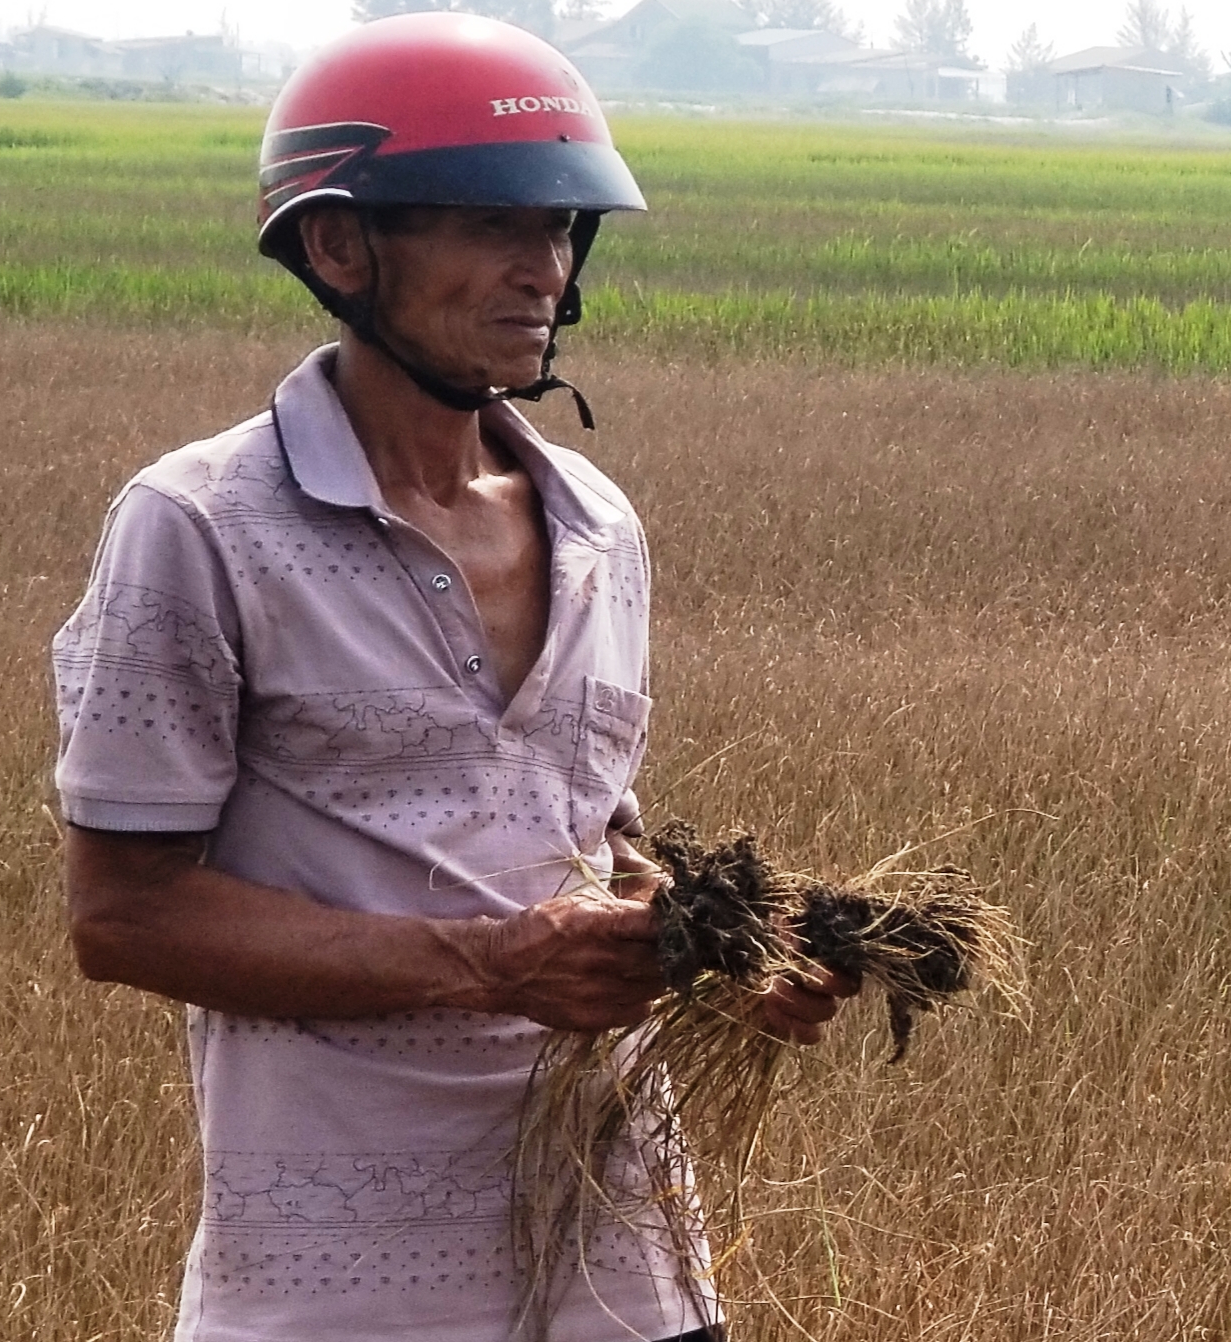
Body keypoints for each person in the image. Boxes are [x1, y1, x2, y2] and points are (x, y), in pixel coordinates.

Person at [51, 16, 853, 1342]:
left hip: (621, 1271)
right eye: (491, 224)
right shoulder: (196, 525)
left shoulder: (599, 523)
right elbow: (122, 917)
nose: (539, 267)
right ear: (337, 244)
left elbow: (591, 833)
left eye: (560, 229)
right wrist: (487, 963)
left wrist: (724, 957)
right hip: (338, 1294)